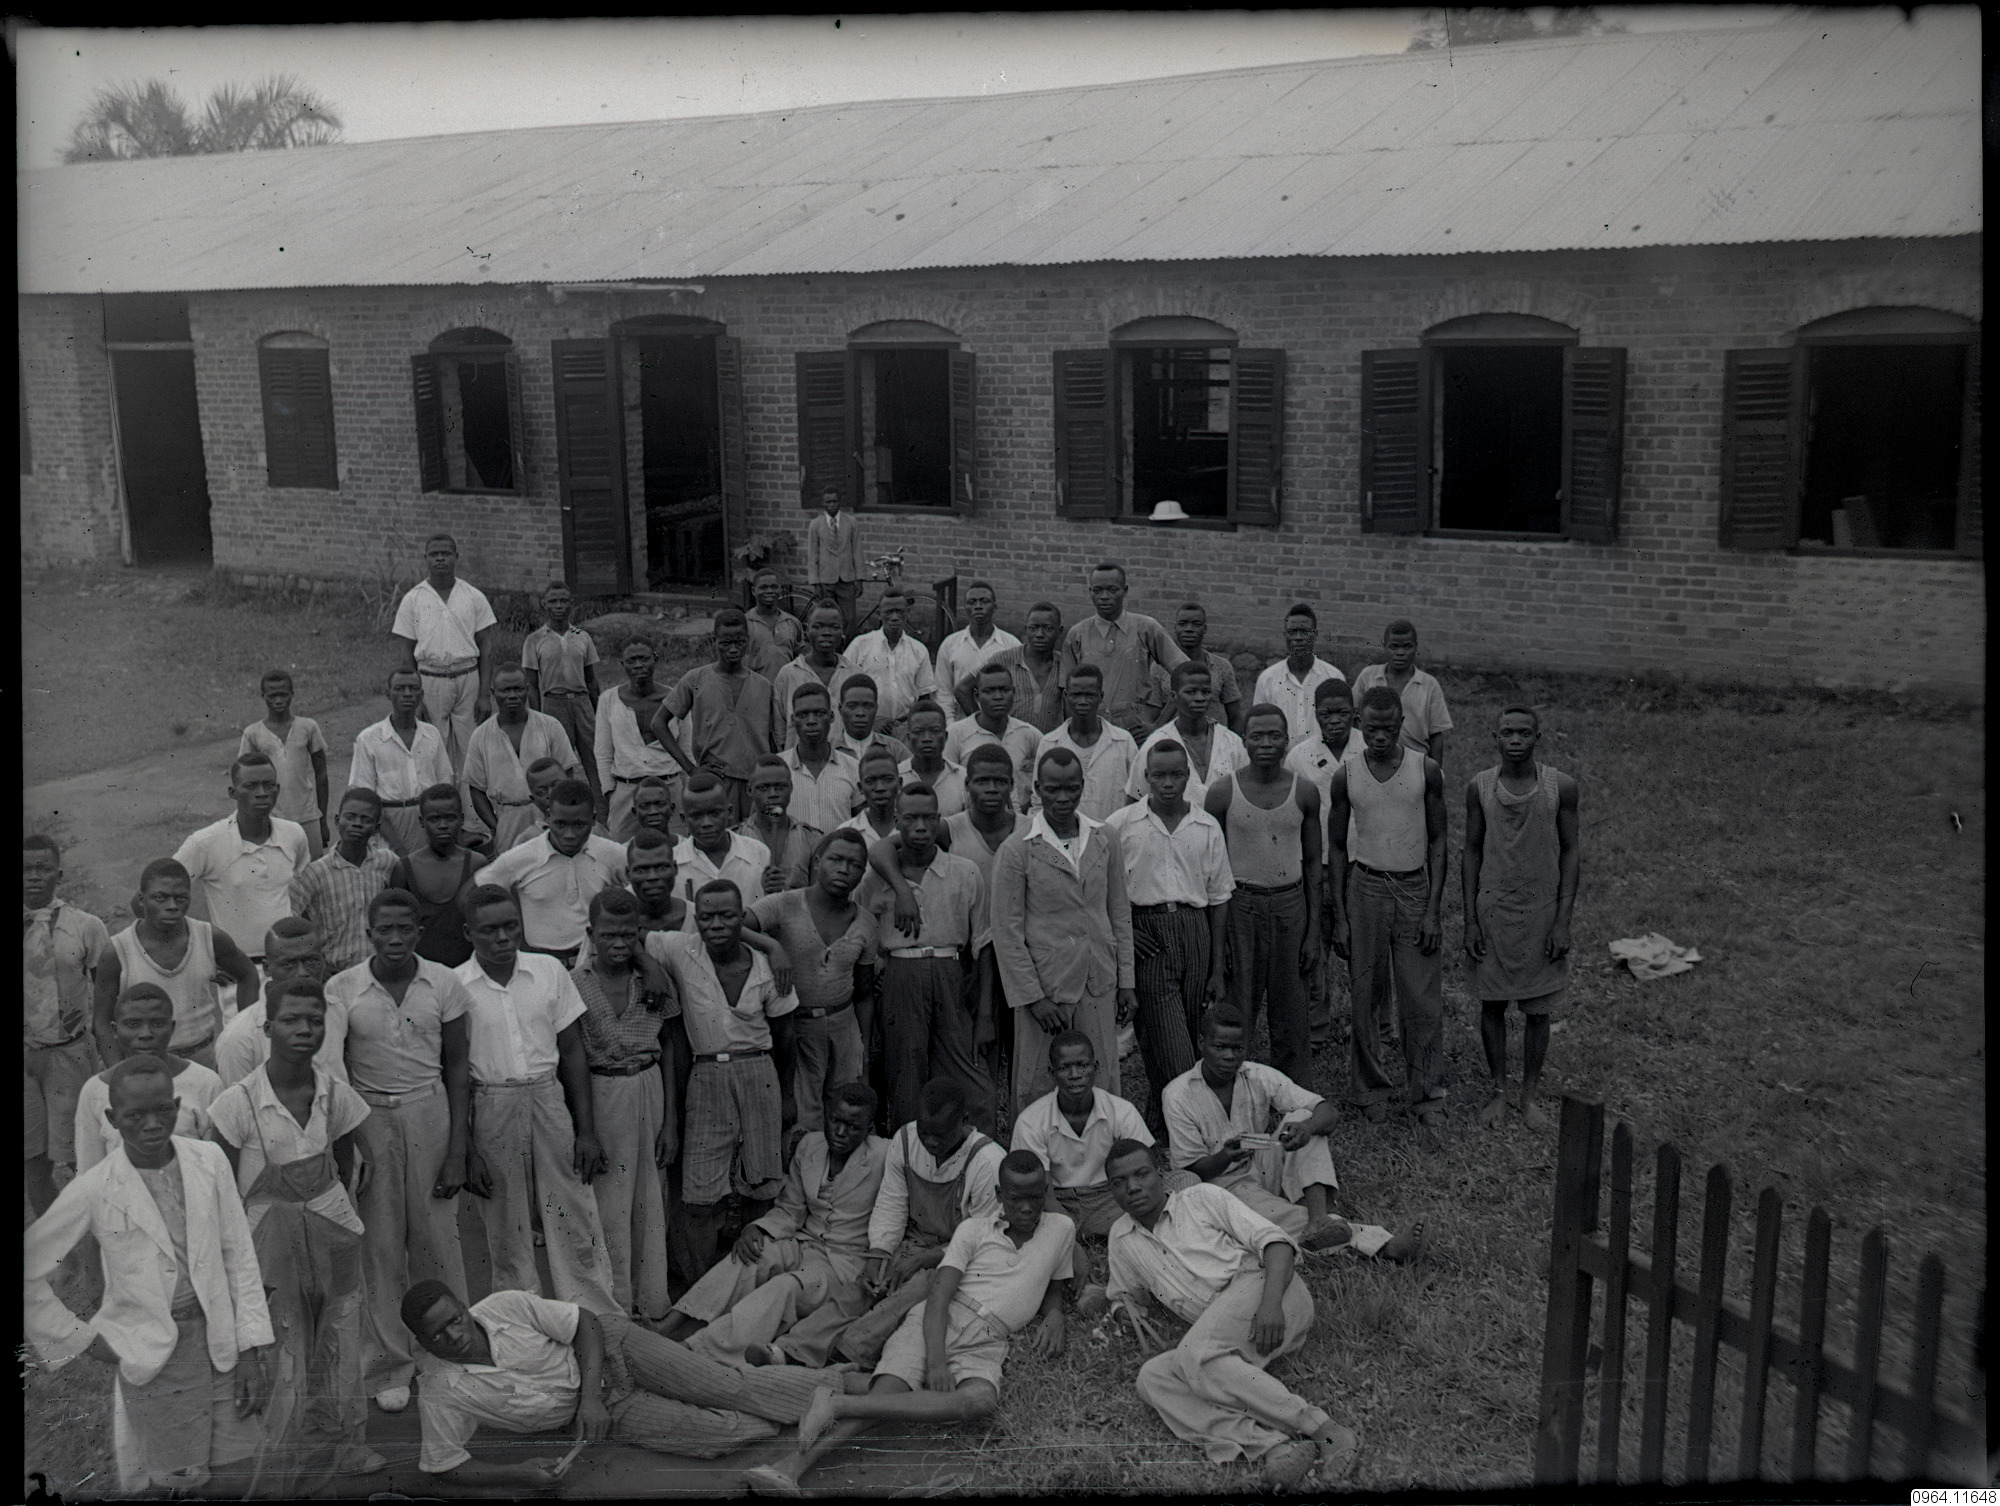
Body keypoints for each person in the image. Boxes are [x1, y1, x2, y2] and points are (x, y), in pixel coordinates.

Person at [743, 1150, 1073, 1498]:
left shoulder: (1061, 1229)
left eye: (1035, 1198)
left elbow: (1053, 1281)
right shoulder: (973, 1230)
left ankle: (838, 1402)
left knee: (980, 1400)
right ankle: (788, 1468)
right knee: (888, 1394)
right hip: (944, 1317)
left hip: (990, 1338)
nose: (1026, 1208)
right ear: (999, 1194)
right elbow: (939, 1296)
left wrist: (1056, 1313)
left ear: (1046, 1191)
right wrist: (936, 1360)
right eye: (1016, 1198)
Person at [25, 1054, 274, 1497]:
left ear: (177, 1106)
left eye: (162, 1110)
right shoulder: (96, 1186)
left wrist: (250, 1349)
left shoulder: (209, 1160)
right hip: (156, 1356)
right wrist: (81, 1338)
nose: (152, 1124)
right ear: (112, 1119)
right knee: (178, 1483)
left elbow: (239, 1255)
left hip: (221, 1342)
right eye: (135, 1115)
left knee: (237, 1477)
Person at [206, 978, 385, 1488]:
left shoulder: (333, 1092)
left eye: (314, 1020)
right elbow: (221, 1188)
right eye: (291, 1020)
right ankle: (283, 1461)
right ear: (267, 1028)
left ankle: (347, 1444)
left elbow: (345, 1156)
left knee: (341, 1339)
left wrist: (333, 1210)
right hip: (269, 1240)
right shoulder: (237, 1103)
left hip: (333, 1230)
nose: (304, 1029)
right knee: (283, 1348)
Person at [403, 1278, 844, 1485]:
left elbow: (587, 1323)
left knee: (727, 1388)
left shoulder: (503, 1306)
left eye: (455, 1320)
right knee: (717, 1435)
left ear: (463, 1306)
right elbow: (446, 1464)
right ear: (421, 1343)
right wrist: (517, 1473)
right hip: (607, 1411)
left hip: (611, 1350)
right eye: (437, 1335)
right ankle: (798, 1401)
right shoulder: (439, 1391)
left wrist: (589, 1399)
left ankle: (845, 1386)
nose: (454, 1336)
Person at [1101, 1139, 1360, 1489]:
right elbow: (1123, 1295)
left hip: (1270, 1291)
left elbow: (1277, 1244)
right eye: (1119, 1182)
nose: (1132, 1187)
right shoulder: (1121, 1238)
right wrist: (1124, 1311)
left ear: (1160, 1174)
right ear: (1111, 1190)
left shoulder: (1202, 1198)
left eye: (1141, 1174)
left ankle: (1326, 1432)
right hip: (1220, 1332)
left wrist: (1270, 1305)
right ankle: (1273, 1448)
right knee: (1152, 1377)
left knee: (1195, 1354)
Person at [331, 887, 475, 1413]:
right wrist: (352, 1142)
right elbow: (336, 1071)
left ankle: (451, 1351)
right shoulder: (342, 988)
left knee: (438, 1240)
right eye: (384, 930)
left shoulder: (444, 982)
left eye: (404, 929)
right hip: (370, 1115)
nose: (394, 939)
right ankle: (390, 1364)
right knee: (381, 1247)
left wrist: (457, 1149)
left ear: (419, 931)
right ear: (368, 933)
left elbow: (457, 1066)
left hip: (428, 1110)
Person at [453, 884, 619, 1312]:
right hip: (490, 1103)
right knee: (505, 1224)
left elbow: (573, 1051)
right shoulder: (454, 985)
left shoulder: (548, 971)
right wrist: (467, 1147)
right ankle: (521, 1322)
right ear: (468, 933)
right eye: (489, 930)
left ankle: (594, 1315)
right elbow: (454, 1072)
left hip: (548, 1097)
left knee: (574, 1211)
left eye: (511, 926)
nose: (503, 938)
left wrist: (586, 1131)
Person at [659, 1080, 887, 1364]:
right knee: (751, 1256)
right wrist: (755, 1228)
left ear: (870, 1129)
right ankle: (671, 1323)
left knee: (785, 1287)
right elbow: (790, 1209)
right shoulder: (810, 1145)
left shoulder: (884, 1156)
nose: (840, 1132)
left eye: (853, 1127)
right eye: (835, 1121)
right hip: (802, 1242)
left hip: (842, 1263)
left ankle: (698, 1349)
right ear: (826, 1114)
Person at [786, 1076, 1006, 1370]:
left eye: (941, 1135)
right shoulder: (906, 1139)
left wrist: (923, 1259)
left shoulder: (987, 1162)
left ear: (964, 1120)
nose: (930, 1142)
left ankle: (848, 1353)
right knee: (866, 1286)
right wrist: (879, 1253)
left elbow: (981, 1238)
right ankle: (794, 1348)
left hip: (957, 1255)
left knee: (911, 1293)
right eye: (925, 1132)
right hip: (913, 1241)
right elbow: (891, 1203)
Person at [1162, 1008, 1409, 1258]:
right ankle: (1380, 1245)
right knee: (1278, 1217)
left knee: (1303, 1117)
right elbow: (1191, 1172)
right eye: (1219, 1047)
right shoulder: (1178, 1094)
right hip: (1223, 1185)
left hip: (1261, 1164)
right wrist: (1225, 1156)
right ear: (1201, 1043)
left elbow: (1328, 1112)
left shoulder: (1256, 1075)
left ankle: (1318, 1218)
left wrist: (1307, 1128)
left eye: (1237, 1048)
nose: (1229, 1056)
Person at [645, 879, 800, 1275]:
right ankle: (702, 1286)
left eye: (727, 916)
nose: (716, 925)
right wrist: (648, 967)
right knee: (699, 1195)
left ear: (741, 916)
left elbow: (786, 1038)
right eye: (707, 917)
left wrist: (786, 1095)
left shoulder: (767, 966)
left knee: (760, 1187)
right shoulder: (681, 950)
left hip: (759, 1071)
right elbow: (633, 933)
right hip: (707, 1073)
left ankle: (749, 1280)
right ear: (696, 918)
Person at [1326, 686, 1449, 1129]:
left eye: (1390, 728)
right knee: (1365, 995)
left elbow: (1439, 839)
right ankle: (1370, 1088)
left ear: (1402, 725)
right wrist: (1341, 916)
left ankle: (1426, 1093)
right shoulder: (1346, 775)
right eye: (1372, 728)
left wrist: (1433, 910)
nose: (1380, 736)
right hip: (1366, 888)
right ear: (1359, 724)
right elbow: (1335, 847)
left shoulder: (1424, 769)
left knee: (1421, 997)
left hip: (1413, 888)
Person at [991, 747, 1135, 1112]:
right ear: (1038, 789)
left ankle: (1103, 1144)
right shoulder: (1017, 849)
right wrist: (1033, 997)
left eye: (1071, 788)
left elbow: (1119, 913)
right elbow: (1006, 932)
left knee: (1101, 1075)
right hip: (1047, 987)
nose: (1062, 798)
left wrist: (1126, 981)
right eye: (1053, 789)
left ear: (1082, 786)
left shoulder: (1105, 837)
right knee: (1038, 1082)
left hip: (1098, 979)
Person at [1105, 740, 1234, 1131]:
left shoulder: (1206, 825)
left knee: (1190, 1035)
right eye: (1158, 775)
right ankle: (1194, 1130)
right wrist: (1126, 930)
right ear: (1145, 777)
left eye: (1176, 775)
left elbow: (1219, 898)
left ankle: (1163, 1126)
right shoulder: (1121, 824)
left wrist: (1217, 969)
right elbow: (1101, 889)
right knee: (1171, 1045)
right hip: (1147, 934)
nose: (1167, 783)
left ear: (1188, 776)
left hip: (1195, 929)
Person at [1464, 706, 1579, 1133]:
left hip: (1540, 911)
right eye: (1507, 732)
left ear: (1538, 738)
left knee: (1539, 1007)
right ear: (1494, 737)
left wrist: (1562, 920)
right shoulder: (1479, 786)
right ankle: (1499, 1090)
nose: (1515, 740)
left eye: (1524, 733)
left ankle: (1529, 1095)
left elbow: (1571, 849)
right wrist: (1470, 920)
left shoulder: (1559, 786)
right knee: (1492, 1003)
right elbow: (1471, 850)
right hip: (1494, 910)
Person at [856, 782, 991, 1132]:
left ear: (939, 820)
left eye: (930, 818)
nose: (920, 827)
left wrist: (985, 1010)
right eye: (911, 819)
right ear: (896, 821)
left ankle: (975, 1151)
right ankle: (909, 1152)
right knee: (906, 1073)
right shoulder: (876, 880)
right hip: (901, 972)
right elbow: (864, 936)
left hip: (951, 971)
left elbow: (983, 942)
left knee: (970, 1078)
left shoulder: (965, 871)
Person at [572, 886, 679, 1324]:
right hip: (601, 1092)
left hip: (648, 1086)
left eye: (627, 935)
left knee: (651, 1196)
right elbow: (571, 1058)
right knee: (608, 1199)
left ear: (639, 934)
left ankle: (651, 1301)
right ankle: (613, 1306)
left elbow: (669, 1047)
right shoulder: (574, 983)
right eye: (608, 935)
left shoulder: (653, 980)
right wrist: (585, 1129)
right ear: (590, 934)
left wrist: (671, 1122)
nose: (618, 944)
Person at [1206, 704, 1323, 1087]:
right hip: (1241, 905)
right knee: (1237, 1004)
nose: (1266, 743)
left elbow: (1313, 864)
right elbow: (1213, 869)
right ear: (1244, 740)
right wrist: (1220, 938)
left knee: (1291, 1008)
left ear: (1288, 740)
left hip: (1290, 905)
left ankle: (1293, 1094)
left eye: (1275, 736)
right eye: (1257, 736)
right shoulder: (1223, 792)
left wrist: (1312, 932)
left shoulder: (1304, 791)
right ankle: (1228, 1087)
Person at [746, 830, 877, 1134]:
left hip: (844, 1027)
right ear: (817, 861)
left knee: (845, 1115)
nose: (844, 869)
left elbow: (864, 992)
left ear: (862, 873)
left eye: (854, 864)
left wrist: (863, 1046)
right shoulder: (784, 905)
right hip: (797, 1027)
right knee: (803, 1121)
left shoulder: (866, 923)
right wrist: (772, 946)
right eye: (835, 859)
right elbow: (733, 925)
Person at [1012, 1030, 1184, 1239]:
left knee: (1185, 1181)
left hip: (1110, 1198)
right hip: (1058, 1200)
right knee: (1023, 1206)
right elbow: (1040, 1190)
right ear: (1052, 1072)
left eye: (1082, 1065)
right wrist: (1065, 1230)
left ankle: (1112, 1227)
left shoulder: (1121, 1110)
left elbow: (1143, 1170)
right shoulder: (1031, 1120)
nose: (1075, 1075)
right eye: (1064, 1068)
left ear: (1096, 1067)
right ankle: (1108, 1229)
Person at [97, 858, 260, 1072]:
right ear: (142, 900)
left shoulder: (209, 938)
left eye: (181, 898)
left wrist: (242, 1031)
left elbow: (248, 974)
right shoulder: (118, 951)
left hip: (204, 1059)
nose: (172, 906)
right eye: (160, 898)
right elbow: (101, 1021)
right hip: (144, 1062)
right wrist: (119, 1071)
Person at [939, 744, 1028, 1133]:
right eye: (981, 781)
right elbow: (888, 850)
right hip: (973, 960)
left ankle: (1025, 1141)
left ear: (1012, 785)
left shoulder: (1030, 829)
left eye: (1000, 781)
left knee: (1025, 1058)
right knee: (980, 1054)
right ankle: (982, 1143)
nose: (991, 789)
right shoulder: (949, 829)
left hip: (1024, 956)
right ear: (967, 785)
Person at [25, 832, 111, 1213]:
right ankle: (56, 1240)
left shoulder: (85, 926)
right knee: (33, 1163)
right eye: (25, 869)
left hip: (70, 1054)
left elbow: (107, 994)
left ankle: (96, 1233)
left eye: (43, 868)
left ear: (59, 874)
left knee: (83, 1158)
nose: (34, 876)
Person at [174, 750, 311, 971]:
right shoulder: (205, 843)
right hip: (237, 969)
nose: (262, 793)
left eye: (268, 785)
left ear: (277, 789)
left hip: (289, 964)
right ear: (233, 792)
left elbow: (304, 891)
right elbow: (156, 899)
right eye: (251, 786)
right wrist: (200, 951)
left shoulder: (293, 834)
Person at [1285, 680, 1366, 1047]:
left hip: (1361, 862)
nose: (1335, 720)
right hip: (1315, 864)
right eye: (1327, 713)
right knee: (1314, 945)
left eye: (1343, 713)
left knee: (1365, 947)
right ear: (1315, 713)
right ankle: (1315, 1026)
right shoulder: (1299, 756)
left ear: (1355, 713)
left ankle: (1376, 1026)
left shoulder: (1369, 748)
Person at [476, 777, 628, 966]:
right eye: (560, 824)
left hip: (595, 963)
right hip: (540, 964)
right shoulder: (522, 856)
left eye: (579, 825)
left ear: (594, 820)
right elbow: (475, 893)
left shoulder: (612, 853)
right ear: (548, 817)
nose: (569, 834)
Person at [75, 984, 225, 1173]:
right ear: (115, 1030)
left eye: (157, 1023)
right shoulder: (95, 1091)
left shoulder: (205, 1082)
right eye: (133, 1025)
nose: (145, 1034)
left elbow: (217, 1164)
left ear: (172, 1027)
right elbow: (90, 1170)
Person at [653, 608, 783, 822]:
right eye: (725, 642)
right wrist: (691, 769)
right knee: (718, 836)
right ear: (714, 641)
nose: (733, 648)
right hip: (716, 784)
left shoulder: (764, 685)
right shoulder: (696, 680)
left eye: (739, 642)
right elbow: (658, 723)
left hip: (756, 784)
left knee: (756, 837)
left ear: (748, 640)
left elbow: (772, 739)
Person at [391, 532, 496, 774]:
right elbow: (407, 651)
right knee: (434, 747)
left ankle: (470, 799)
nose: (440, 559)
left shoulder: (472, 596)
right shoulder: (413, 599)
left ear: (456, 557)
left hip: (467, 677)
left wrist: (484, 695)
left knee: (472, 748)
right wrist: (415, 696)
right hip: (430, 679)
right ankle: (441, 798)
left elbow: (486, 647)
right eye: (434, 554)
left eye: (446, 553)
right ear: (425, 558)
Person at [213, 917, 347, 1088]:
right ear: (267, 968)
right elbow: (239, 1103)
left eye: (311, 962)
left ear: (323, 961)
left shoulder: (337, 1010)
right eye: (288, 964)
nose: (302, 973)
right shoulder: (239, 1038)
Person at [466, 664, 584, 851]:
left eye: (518, 689)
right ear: (493, 693)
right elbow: (476, 789)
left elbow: (567, 775)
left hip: (549, 817)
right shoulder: (481, 735)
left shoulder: (550, 726)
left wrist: (559, 815)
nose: (512, 695)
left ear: (527, 689)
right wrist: (497, 826)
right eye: (505, 690)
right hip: (507, 817)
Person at [1060, 561, 1185, 735]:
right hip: (1092, 729)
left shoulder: (1146, 628)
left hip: (1135, 730)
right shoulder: (1077, 634)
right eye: (1097, 590)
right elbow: (1066, 693)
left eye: (1112, 590)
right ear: (1090, 591)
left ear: (1125, 591)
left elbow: (1185, 674)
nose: (1104, 596)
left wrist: (1158, 726)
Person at [286, 787, 397, 975]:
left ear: (376, 828)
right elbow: (290, 918)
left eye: (366, 820)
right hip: (335, 973)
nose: (357, 824)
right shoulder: (315, 872)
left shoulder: (387, 862)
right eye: (350, 817)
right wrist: (314, 960)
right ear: (337, 821)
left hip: (380, 971)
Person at [349, 667, 457, 856]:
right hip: (387, 824)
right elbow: (365, 798)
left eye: (413, 688)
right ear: (388, 694)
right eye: (400, 688)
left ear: (421, 694)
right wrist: (397, 846)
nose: (407, 694)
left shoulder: (432, 734)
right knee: (393, 870)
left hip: (428, 820)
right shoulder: (368, 739)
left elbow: (445, 784)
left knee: (428, 868)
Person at [521, 580, 604, 808]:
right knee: (560, 765)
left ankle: (602, 815)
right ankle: (566, 812)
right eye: (553, 601)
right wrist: (537, 718)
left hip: (582, 703)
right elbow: (532, 685)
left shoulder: (582, 636)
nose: (559, 606)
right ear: (544, 604)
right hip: (554, 704)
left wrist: (599, 713)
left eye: (563, 601)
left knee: (596, 761)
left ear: (571, 604)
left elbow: (591, 680)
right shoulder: (534, 640)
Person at [386, 784, 484, 968]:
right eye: (434, 819)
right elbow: (395, 924)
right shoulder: (404, 868)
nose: (443, 825)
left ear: (462, 819)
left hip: (470, 969)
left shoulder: (476, 864)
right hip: (422, 970)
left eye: (450, 818)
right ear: (422, 821)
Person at [596, 636, 682, 842]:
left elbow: (687, 751)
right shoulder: (608, 699)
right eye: (631, 660)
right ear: (622, 664)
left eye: (644, 659)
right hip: (626, 790)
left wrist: (684, 793)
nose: (638, 665)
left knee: (677, 849)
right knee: (621, 850)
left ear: (655, 659)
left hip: (669, 788)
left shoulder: (675, 697)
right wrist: (611, 793)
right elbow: (603, 753)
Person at [238, 669, 330, 857]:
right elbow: (243, 781)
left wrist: (322, 819)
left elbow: (322, 776)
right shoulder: (252, 733)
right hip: (271, 818)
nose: (278, 700)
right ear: (263, 696)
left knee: (313, 868)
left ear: (292, 694)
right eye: (272, 696)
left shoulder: (308, 727)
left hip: (308, 816)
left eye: (283, 694)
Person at [1130, 661, 1248, 807]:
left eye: (1206, 692)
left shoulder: (1232, 743)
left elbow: (1247, 793)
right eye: (1190, 692)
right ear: (1174, 696)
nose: (1200, 698)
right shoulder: (1155, 743)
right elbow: (1136, 796)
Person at [1036, 662, 1140, 822]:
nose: (1083, 701)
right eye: (1076, 695)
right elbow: (1037, 803)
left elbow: (1138, 794)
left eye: (1090, 695)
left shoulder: (1124, 742)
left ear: (1101, 697)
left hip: (1113, 834)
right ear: (1066, 696)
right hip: (1064, 834)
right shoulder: (1049, 743)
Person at [1351, 619, 1453, 765]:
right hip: (1373, 759)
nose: (1400, 653)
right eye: (1394, 647)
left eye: (1407, 647)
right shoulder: (1368, 676)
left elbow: (1436, 734)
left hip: (1415, 760)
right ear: (1384, 646)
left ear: (1416, 647)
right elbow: (1353, 716)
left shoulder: (1429, 684)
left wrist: (1437, 771)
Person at [946, 661, 1044, 812]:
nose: (998, 696)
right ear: (977, 696)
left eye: (1004, 690)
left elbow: (1047, 780)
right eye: (989, 691)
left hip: (1021, 821)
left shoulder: (1029, 734)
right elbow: (949, 785)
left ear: (1014, 692)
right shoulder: (956, 734)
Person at [1253, 604, 1346, 754]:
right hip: (1280, 761)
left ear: (1315, 634)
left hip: (1322, 760)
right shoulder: (1267, 679)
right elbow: (1259, 725)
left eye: (1304, 632)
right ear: (1285, 635)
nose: (1298, 638)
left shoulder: (1333, 677)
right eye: (1292, 632)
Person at [677, 771, 774, 914]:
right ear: (684, 819)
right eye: (696, 816)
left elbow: (771, 909)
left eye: (714, 813)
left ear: (729, 812)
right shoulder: (673, 863)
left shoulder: (758, 853)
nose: (706, 823)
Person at [845, 590, 938, 737]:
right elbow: (843, 688)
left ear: (908, 612)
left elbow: (924, 695)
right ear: (879, 613)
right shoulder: (860, 645)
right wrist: (870, 721)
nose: (894, 617)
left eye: (899, 611)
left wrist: (914, 724)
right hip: (868, 727)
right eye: (888, 612)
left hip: (906, 727)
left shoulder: (918, 650)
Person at [773, 601, 860, 747]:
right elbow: (779, 730)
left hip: (846, 759)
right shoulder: (788, 674)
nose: (826, 633)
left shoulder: (854, 674)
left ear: (842, 631)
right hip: (800, 759)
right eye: (818, 627)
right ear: (806, 630)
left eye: (834, 627)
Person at [779, 681, 862, 833]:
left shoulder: (854, 768)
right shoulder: (778, 768)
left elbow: (862, 824)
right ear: (792, 719)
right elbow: (765, 816)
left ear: (831, 716)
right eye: (803, 715)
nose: (811, 721)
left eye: (819, 713)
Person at [935, 580, 1021, 717]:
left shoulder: (1011, 645)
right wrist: (950, 724)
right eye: (972, 602)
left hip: (1000, 720)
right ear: (965, 607)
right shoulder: (950, 644)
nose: (978, 606)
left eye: (984, 601)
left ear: (995, 606)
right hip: (960, 720)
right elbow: (943, 693)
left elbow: (1018, 691)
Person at [741, 754, 823, 893]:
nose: (773, 794)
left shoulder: (812, 840)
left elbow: (817, 894)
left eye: (780, 787)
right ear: (750, 790)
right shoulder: (737, 838)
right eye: (764, 788)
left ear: (791, 787)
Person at [988, 600, 1067, 734]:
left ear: (1059, 631)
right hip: (1009, 741)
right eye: (1033, 628)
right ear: (1026, 629)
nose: (1039, 634)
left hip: (1049, 743)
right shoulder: (1003, 659)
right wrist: (987, 729)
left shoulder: (1064, 665)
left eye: (1048, 628)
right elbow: (963, 689)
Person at [1172, 601, 1246, 734]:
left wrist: (1234, 744)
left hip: (1213, 740)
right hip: (1173, 741)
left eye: (1196, 624)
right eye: (1182, 624)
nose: (1189, 629)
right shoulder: (1159, 668)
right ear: (1175, 628)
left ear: (1205, 628)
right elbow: (1152, 716)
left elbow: (1235, 717)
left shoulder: (1222, 667)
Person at [805, 484, 862, 631]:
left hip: (846, 579)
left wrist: (859, 579)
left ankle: (848, 644)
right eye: (828, 502)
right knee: (828, 618)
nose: (831, 505)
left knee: (849, 618)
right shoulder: (815, 525)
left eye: (835, 501)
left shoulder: (851, 523)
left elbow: (857, 551)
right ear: (822, 503)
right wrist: (815, 583)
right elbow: (812, 555)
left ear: (840, 502)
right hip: (825, 580)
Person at [898, 700, 967, 818]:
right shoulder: (896, 776)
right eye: (918, 732)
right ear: (909, 738)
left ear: (945, 736)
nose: (927, 738)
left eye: (935, 731)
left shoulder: (963, 778)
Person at [832, 673, 912, 766]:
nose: (860, 713)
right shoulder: (827, 749)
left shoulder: (896, 750)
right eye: (852, 706)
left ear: (876, 709)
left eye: (868, 706)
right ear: (840, 709)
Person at [626, 828, 689, 937]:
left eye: (662, 868)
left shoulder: (697, 916)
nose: (652, 877)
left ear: (675, 868)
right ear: (628, 874)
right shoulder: (616, 920)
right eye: (641, 870)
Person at [746, 567, 806, 677]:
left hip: (787, 684)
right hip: (755, 684)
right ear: (753, 591)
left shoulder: (792, 622)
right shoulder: (746, 623)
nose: (769, 591)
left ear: (780, 589)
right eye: (763, 587)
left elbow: (801, 659)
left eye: (774, 587)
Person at [840, 745, 905, 845]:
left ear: (900, 783)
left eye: (888, 779)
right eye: (870, 781)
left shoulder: (912, 829)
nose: (880, 788)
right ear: (860, 788)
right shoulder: (846, 832)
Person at [630, 773, 679, 841]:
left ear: (672, 809)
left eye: (660, 804)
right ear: (635, 812)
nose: (653, 811)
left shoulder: (687, 846)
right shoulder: (626, 847)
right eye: (644, 806)